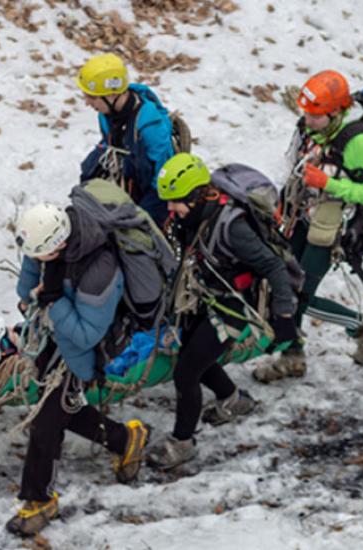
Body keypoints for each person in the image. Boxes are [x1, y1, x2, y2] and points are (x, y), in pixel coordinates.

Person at [146, 153, 299, 471]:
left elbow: (272, 265)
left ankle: (182, 443)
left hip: (233, 306)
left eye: (175, 202)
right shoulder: (194, 217)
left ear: (194, 195)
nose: (170, 210)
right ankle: (233, 399)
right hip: (207, 295)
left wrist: (284, 316)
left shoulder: (231, 227)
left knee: (186, 372)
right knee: (192, 355)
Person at [6, 202, 149, 536]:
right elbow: (25, 290)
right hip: (53, 339)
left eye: (41, 256)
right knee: (62, 412)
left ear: (59, 245)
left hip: (81, 353)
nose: (36, 262)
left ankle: (38, 500)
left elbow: (87, 334)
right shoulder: (46, 242)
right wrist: (39, 296)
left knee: (45, 425)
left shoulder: (100, 271)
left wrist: (53, 302)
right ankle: (126, 439)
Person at [253, 70, 363, 383]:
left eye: (315, 115)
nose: (307, 120)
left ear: (337, 112)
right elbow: (292, 166)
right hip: (299, 218)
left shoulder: (359, 143)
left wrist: (329, 182)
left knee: (298, 297)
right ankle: (293, 356)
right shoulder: (307, 130)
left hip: (331, 230)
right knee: (283, 288)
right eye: (305, 113)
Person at [76, 53, 174, 225]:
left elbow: (162, 175)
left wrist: (141, 216)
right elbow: (108, 144)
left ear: (112, 94)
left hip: (152, 187)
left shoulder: (149, 125)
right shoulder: (106, 114)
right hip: (128, 174)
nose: (87, 102)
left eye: (92, 97)